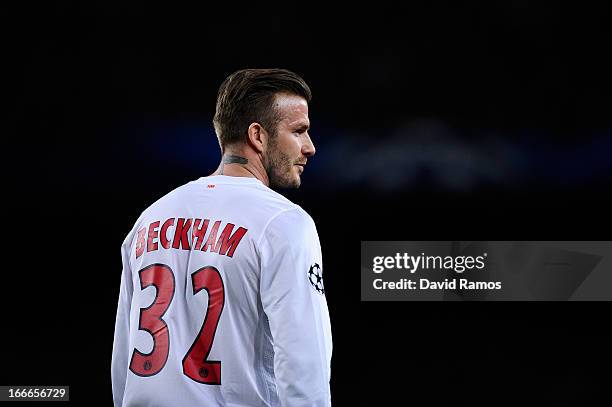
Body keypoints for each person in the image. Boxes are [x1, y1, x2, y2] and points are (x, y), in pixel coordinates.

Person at [111, 68, 332, 406]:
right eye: (299, 131)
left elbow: (123, 362)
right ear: (257, 135)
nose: (310, 148)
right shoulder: (283, 223)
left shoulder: (149, 219)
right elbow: (304, 363)